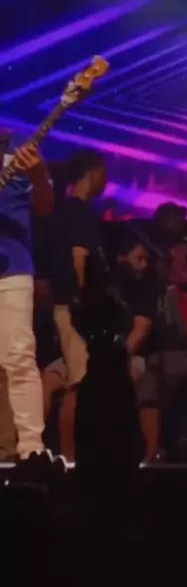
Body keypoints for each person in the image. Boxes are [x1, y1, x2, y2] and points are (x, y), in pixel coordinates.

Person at [48, 149, 108, 460]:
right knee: (78, 383)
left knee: (74, 379)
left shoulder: (64, 210)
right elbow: (78, 257)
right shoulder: (78, 212)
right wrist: (83, 299)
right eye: (104, 173)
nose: (106, 181)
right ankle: (71, 459)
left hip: (67, 305)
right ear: (91, 172)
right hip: (75, 306)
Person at [0, 132, 54, 459]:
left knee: (19, 358)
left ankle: (32, 450)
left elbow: (45, 207)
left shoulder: (17, 150)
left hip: (12, 267)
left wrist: (38, 174)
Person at [115, 237, 160, 462]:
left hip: (133, 356)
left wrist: (116, 358)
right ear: (122, 258)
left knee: (142, 384)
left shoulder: (144, 287)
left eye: (146, 259)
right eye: (139, 258)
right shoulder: (108, 286)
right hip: (96, 355)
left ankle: (146, 461)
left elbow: (141, 329)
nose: (144, 265)